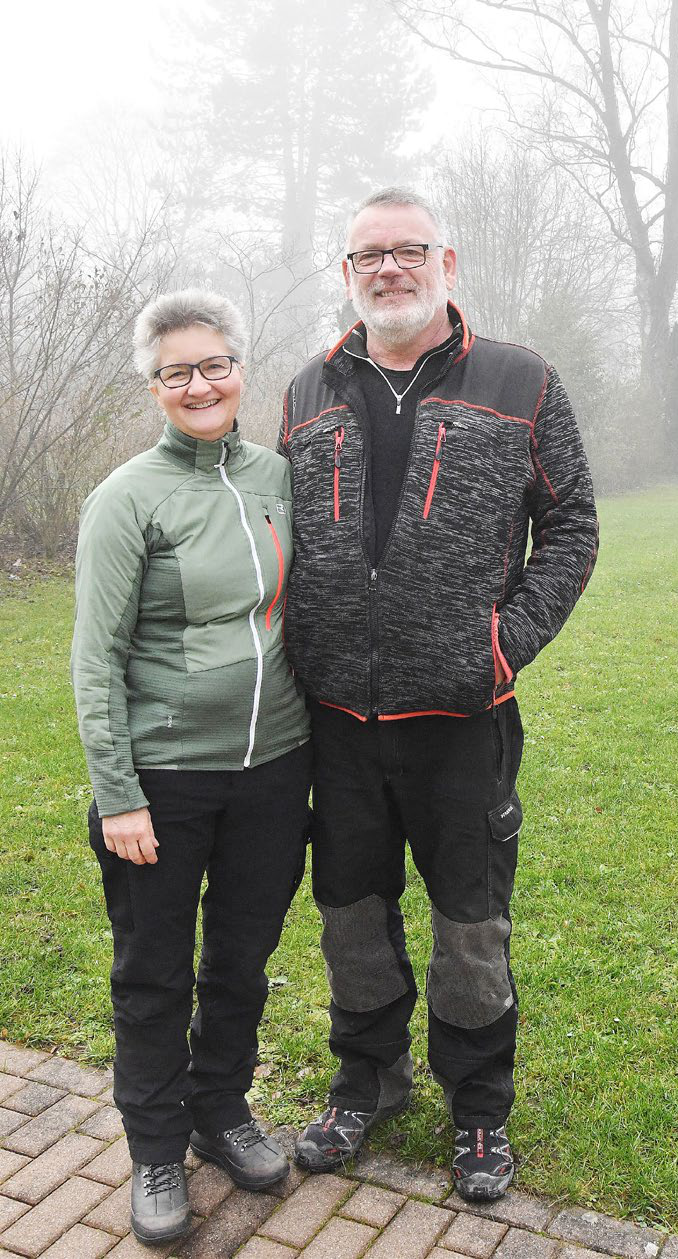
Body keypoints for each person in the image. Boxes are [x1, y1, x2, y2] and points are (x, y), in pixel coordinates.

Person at [279, 189, 598, 1201]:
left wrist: (503, 645)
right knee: (349, 913)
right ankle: (366, 1079)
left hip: (462, 719)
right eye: (367, 255)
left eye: (406, 250)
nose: (388, 269)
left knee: (470, 923)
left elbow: (575, 522)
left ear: (444, 260)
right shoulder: (304, 390)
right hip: (338, 720)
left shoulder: (518, 378)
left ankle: (477, 1112)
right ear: (346, 273)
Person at [71, 290, 312, 1246]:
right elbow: (96, 658)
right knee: (155, 974)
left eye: (214, 365)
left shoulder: (276, 476)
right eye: (178, 372)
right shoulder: (128, 496)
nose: (200, 384)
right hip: (163, 779)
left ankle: (221, 1111)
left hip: (273, 769)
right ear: (155, 387)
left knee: (242, 962)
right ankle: (158, 1148)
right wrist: (119, 793)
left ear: (239, 370)